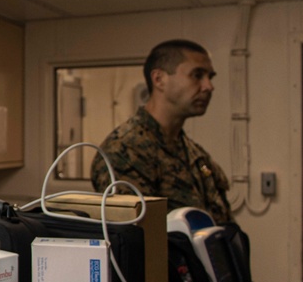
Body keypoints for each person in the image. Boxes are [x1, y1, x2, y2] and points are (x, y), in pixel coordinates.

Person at [90, 39, 232, 222]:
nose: (208, 86)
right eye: (197, 75)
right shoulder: (125, 151)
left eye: (209, 77)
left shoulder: (195, 154)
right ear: (159, 80)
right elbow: (138, 237)